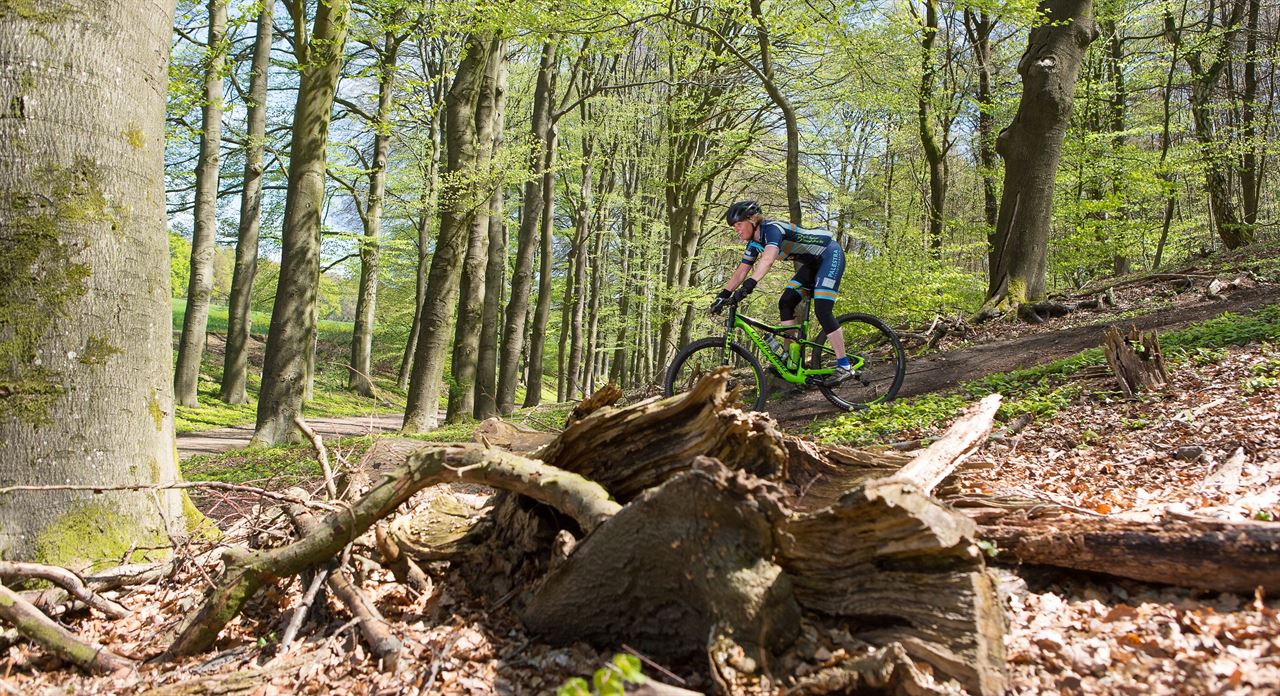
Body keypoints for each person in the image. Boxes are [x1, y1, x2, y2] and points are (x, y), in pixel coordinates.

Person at [710, 200, 853, 386]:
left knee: (823, 309)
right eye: (733, 226)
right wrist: (723, 295)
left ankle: (844, 365)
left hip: (830, 255)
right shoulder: (753, 244)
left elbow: (768, 258)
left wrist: (750, 284)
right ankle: (789, 358)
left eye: (738, 224)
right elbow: (741, 271)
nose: (736, 229)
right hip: (812, 264)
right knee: (786, 302)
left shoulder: (772, 229)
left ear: (752, 220)